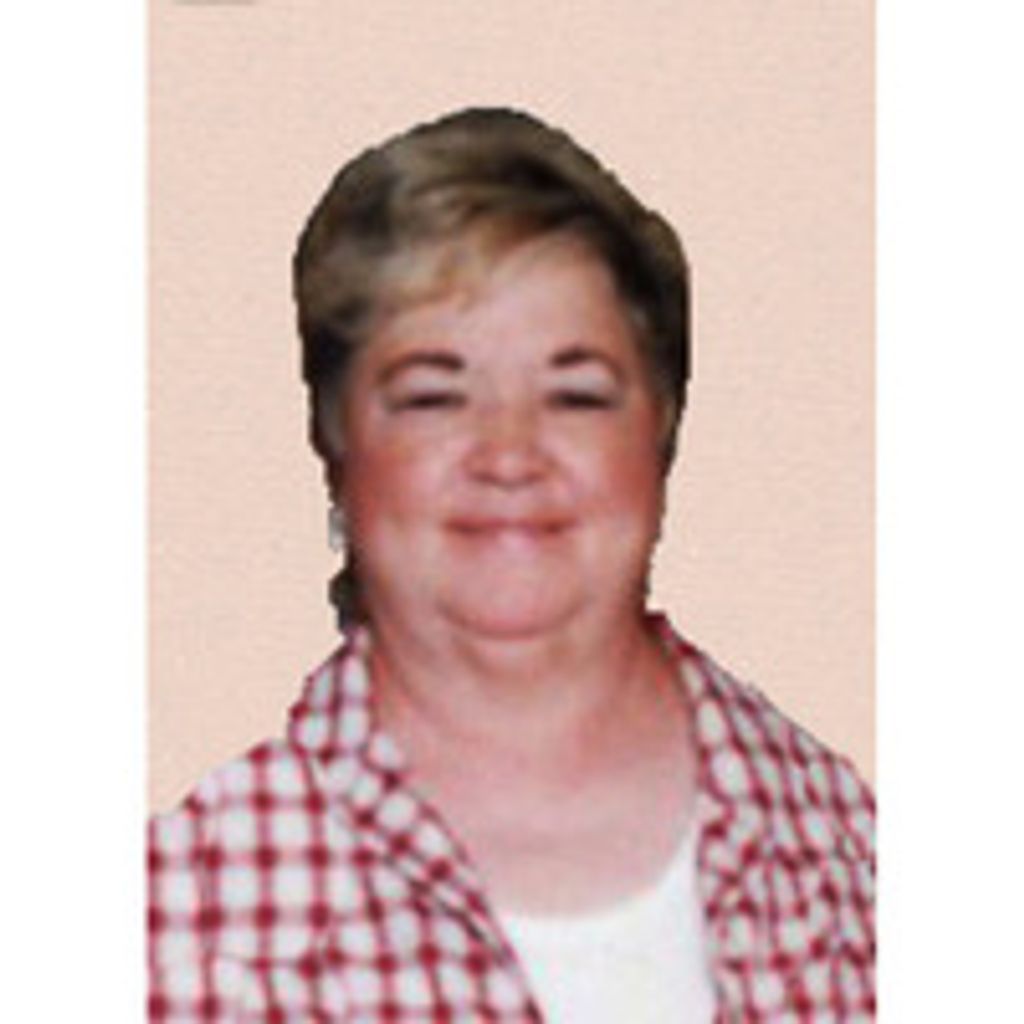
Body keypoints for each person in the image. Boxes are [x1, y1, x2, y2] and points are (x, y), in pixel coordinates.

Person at [148, 108, 875, 1022]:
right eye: (433, 397)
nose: (509, 454)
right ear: (335, 441)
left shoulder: (861, 854)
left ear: (661, 431)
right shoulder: (177, 921)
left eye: (576, 395)